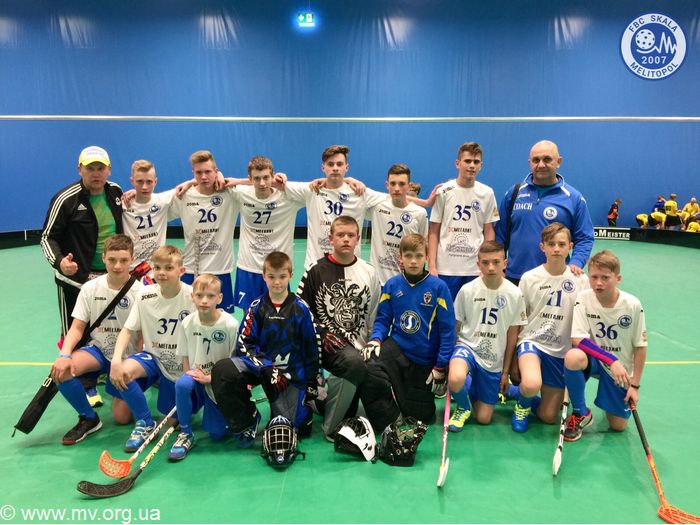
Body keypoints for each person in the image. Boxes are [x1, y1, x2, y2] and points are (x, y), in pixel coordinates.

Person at [41, 145, 124, 408]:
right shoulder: (66, 199)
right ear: (80, 170)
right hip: (74, 280)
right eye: (90, 168)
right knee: (76, 330)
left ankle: (104, 371)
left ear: (109, 170)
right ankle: (85, 386)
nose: (96, 173)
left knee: (107, 327)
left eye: (101, 168)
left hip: (109, 277)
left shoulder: (116, 192)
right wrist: (59, 262)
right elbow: (47, 237)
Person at [211, 252, 321, 449]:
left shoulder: (301, 309)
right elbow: (244, 344)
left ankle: (304, 403)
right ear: (264, 276)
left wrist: (312, 380)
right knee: (223, 370)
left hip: (288, 376)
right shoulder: (256, 308)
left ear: (290, 275)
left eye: (282, 276)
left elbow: (311, 346)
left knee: (295, 428)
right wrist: (266, 367)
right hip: (259, 369)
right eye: (271, 277)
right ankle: (248, 420)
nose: (277, 282)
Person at [49, 234, 141, 444]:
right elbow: (77, 328)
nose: (117, 266)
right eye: (112, 260)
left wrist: (136, 366)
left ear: (132, 259)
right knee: (62, 370)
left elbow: (143, 336)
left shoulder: (140, 291)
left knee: (122, 418)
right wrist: (64, 354)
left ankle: (133, 388)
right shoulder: (90, 288)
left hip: (126, 356)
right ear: (103, 257)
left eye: (123, 260)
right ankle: (89, 418)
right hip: (98, 350)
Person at [359, 234, 455, 434]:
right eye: (408, 255)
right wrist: (375, 339)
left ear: (426, 257)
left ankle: (405, 399)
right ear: (400, 257)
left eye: (418, 256)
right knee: (368, 365)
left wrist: (440, 366)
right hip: (398, 349)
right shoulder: (392, 285)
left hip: (424, 359)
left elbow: (447, 331)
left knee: (422, 416)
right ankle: (390, 418)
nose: (413, 261)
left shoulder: (439, 288)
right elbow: (383, 319)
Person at [297, 216, 380, 440]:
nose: (346, 239)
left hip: (360, 349)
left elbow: (374, 314)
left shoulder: (369, 272)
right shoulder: (315, 271)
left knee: (381, 418)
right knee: (353, 364)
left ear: (358, 239)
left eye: (350, 235)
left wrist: (373, 343)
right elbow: (300, 312)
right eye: (340, 235)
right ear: (331, 238)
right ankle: (332, 427)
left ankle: (320, 400)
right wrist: (321, 332)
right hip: (328, 349)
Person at [109, 245, 194, 452]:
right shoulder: (145, 295)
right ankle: (145, 422)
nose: (162, 273)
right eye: (157, 268)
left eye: (168, 268)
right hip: (153, 357)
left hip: (182, 364)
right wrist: (116, 360)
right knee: (123, 373)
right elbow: (127, 330)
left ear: (181, 271)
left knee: (172, 422)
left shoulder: (192, 296)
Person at [510, 223, 589, 433]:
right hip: (533, 342)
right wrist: (513, 362)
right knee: (531, 383)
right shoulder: (529, 278)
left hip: (561, 351)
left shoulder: (581, 280)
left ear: (570, 247)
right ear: (542, 247)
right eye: (551, 244)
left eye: (561, 244)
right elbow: (518, 320)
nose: (556, 249)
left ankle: (514, 393)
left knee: (548, 417)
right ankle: (522, 406)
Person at [563, 250, 647, 441]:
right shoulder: (584, 298)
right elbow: (578, 339)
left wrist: (634, 386)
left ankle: (610, 398)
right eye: (594, 277)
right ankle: (581, 412)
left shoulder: (632, 305)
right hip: (595, 361)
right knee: (573, 357)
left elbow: (640, 346)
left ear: (618, 278)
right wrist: (611, 360)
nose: (598, 283)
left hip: (619, 372)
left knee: (618, 426)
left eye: (605, 278)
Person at [446, 241, 527, 430]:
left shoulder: (514, 294)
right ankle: (463, 407)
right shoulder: (467, 290)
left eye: (496, 262)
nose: (491, 267)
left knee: (484, 418)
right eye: (485, 262)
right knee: (456, 377)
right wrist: (447, 362)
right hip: (467, 347)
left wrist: (505, 372)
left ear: (505, 263)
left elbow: (512, 336)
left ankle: (507, 391)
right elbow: (455, 326)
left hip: (493, 360)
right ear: (478, 264)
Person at [495, 140, 594, 285]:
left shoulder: (574, 198)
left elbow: (585, 238)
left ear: (558, 162)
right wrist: (497, 265)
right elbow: (500, 235)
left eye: (547, 159)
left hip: (555, 279)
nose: (541, 165)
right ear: (530, 163)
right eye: (536, 160)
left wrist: (576, 262)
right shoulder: (514, 193)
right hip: (514, 276)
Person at [169, 274, 239, 460]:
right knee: (182, 385)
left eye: (210, 296)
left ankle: (219, 412)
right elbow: (185, 355)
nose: (204, 301)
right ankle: (186, 433)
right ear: (192, 297)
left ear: (220, 298)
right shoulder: (187, 323)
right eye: (199, 295)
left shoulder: (230, 325)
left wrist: (211, 378)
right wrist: (188, 376)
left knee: (217, 434)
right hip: (196, 375)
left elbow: (235, 363)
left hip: (220, 381)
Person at [284, 145, 386, 269]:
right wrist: (280, 176)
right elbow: (273, 183)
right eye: (330, 164)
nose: (335, 168)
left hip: (349, 267)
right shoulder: (312, 189)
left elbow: (394, 197)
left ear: (346, 167)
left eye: (339, 164)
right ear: (323, 167)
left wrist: (347, 180)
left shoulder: (359, 192)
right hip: (316, 268)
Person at [229, 156, 305, 311]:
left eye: (266, 177)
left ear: (273, 176)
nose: (262, 183)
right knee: (249, 314)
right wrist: (189, 183)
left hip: (277, 270)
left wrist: (349, 180)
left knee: (278, 314)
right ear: (250, 179)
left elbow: (319, 186)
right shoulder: (242, 193)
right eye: (257, 178)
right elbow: (213, 180)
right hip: (248, 267)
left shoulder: (288, 197)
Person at [169, 151, 240, 312]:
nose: (203, 176)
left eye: (208, 171)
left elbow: (258, 183)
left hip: (220, 270)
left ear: (216, 171)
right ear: (193, 173)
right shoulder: (183, 195)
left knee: (220, 320)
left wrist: (222, 177)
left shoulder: (229, 194)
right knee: (187, 317)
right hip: (191, 269)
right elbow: (154, 202)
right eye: (198, 172)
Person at [428, 142, 499, 300]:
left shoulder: (487, 193)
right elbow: (433, 231)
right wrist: (432, 266)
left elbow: (489, 231)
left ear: (481, 165)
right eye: (467, 161)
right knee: (445, 312)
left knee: (473, 312)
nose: (472, 165)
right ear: (457, 163)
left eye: (476, 162)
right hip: (446, 268)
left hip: (474, 269)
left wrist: (486, 264)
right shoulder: (444, 191)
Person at [368, 164, 429, 285]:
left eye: (401, 184)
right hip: (378, 282)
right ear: (387, 185)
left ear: (409, 186)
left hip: (407, 282)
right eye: (393, 184)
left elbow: (423, 245)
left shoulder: (419, 213)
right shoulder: (377, 206)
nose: (397, 188)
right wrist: (349, 179)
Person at [122, 160, 176, 273]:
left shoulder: (163, 201)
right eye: (139, 182)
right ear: (132, 181)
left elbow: (191, 185)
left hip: (157, 272)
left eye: (149, 182)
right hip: (130, 271)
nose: (144, 187)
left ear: (155, 181)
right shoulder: (122, 205)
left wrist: (217, 175)